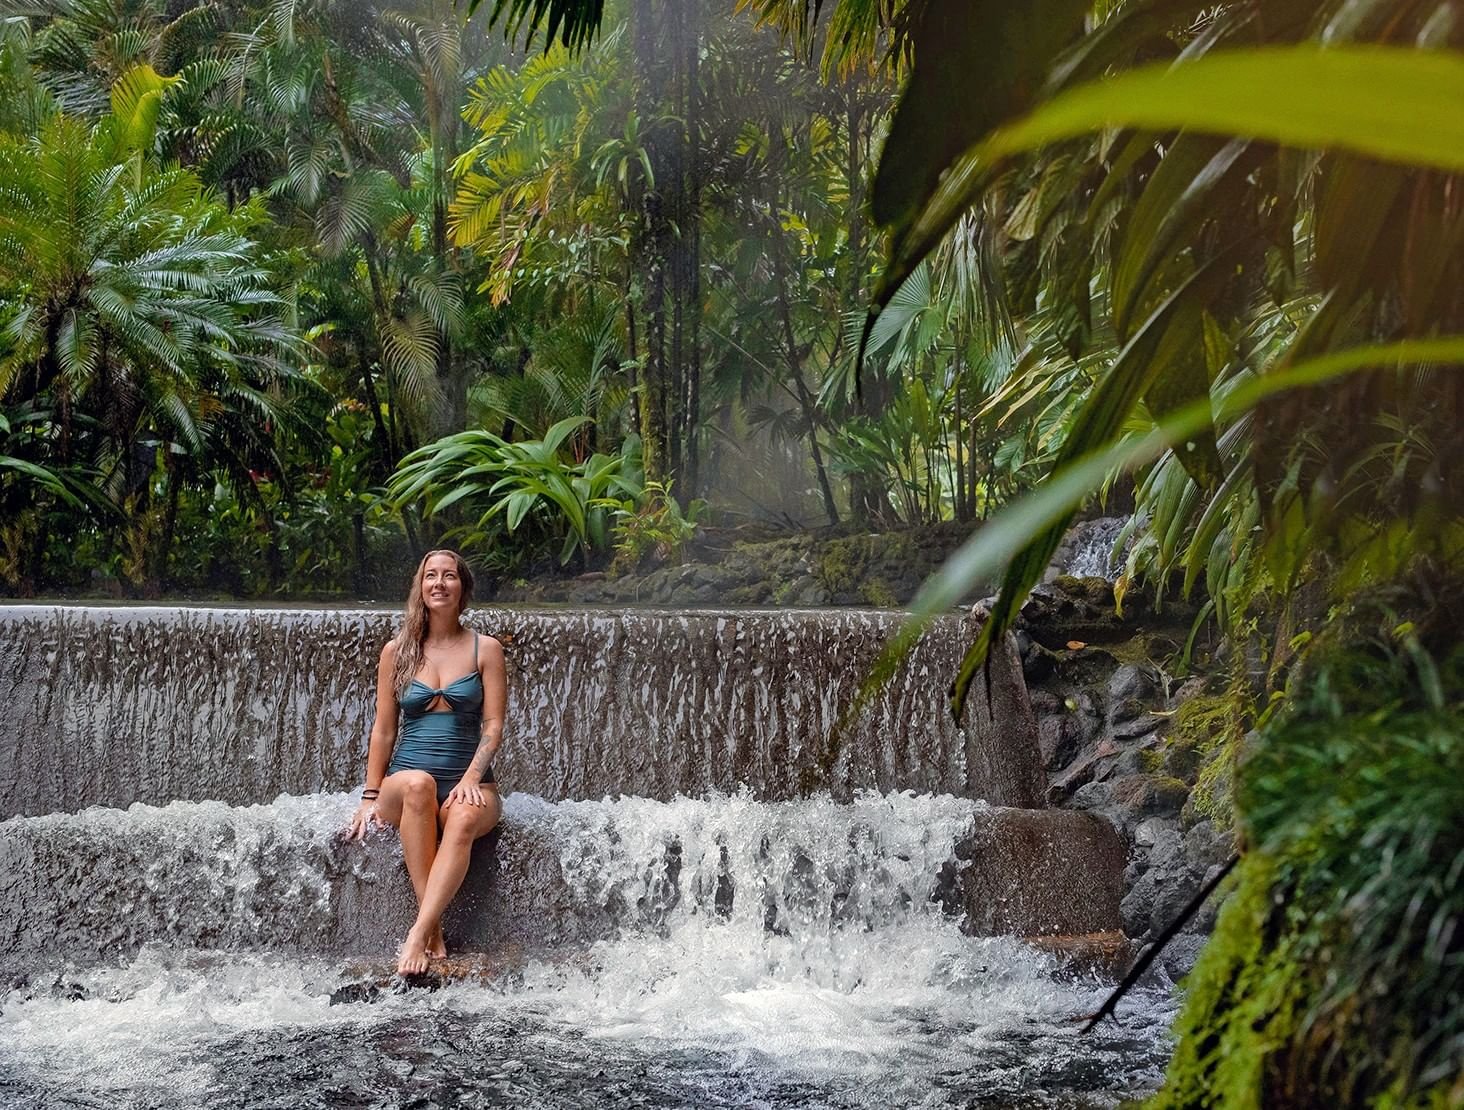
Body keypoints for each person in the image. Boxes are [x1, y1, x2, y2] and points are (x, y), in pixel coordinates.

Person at [346, 549, 506, 975]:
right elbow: (383, 730)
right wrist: (369, 795)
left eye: (449, 576)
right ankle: (430, 927)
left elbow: (493, 726)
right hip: (405, 784)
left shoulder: (485, 649)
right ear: (420, 587)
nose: (439, 583)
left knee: (464, 814)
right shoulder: (396, 652)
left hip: (470, 780)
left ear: (463, 589)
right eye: (431, 576)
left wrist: (472, 777)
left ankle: (420, 932)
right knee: (418, 784)